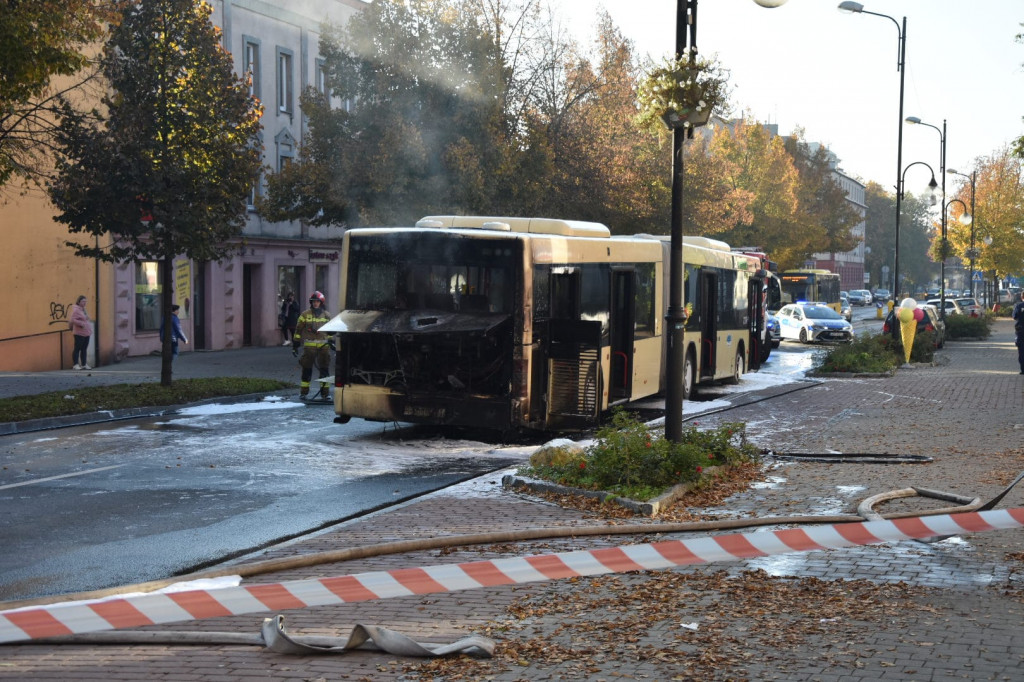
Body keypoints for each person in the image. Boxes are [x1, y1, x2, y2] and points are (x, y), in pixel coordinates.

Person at [293, 291, 332, 399]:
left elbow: (330, 332)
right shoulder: (305, 314)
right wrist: (295, 344)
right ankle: (304, 393)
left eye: (317, 301)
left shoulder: (327, 315)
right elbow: (298, 329)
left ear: (321, 302)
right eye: (313, 301)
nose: (315, 303)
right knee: (307, 369)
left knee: (324, 370)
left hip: (324, 347)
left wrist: (331, 341)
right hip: (309, 347)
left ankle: (325, 394)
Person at [69, 295, 93, 370]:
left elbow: (85, 319)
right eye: (83, 301)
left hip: (86, 332)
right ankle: (75, 364)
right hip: (79, 333)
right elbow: (72, 320)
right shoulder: (76, 310)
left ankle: (84, 364)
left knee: (84, 348)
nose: (85, 303)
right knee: (77, 348)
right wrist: (81, 324)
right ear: (79, 302)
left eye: (85, 301)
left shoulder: (83, 309)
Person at [1012, 291, 1024, 374]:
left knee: (1022, 351)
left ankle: (1023, 370)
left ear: (1022, 297)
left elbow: (1014, 316)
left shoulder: (1019, 306)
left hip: (1021, 331)